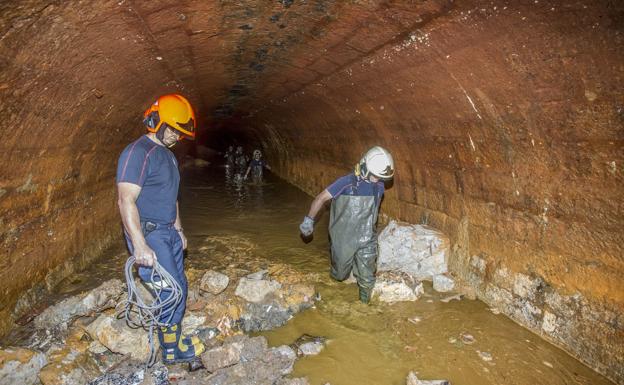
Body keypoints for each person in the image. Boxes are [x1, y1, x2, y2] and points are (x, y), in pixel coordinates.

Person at [116, 93, 205, 364]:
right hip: (150, 233)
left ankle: (174, 338)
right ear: (157, 122)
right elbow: (125, 200)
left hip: (167, 232)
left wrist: (179, 230)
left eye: (180, 133)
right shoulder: (137, 153)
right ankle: (171, 351)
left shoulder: (168, 156)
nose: (177, 138)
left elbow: (171, 196)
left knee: (180, 285)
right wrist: (140, 244)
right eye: (174, 131)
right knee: (169, 291)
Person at [299, 146, 394, 304]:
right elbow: (321, 198)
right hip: (343, 236)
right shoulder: (346, 182)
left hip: (367, 236)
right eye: (375, 176)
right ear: (364, 168)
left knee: (367, 276)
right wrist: (309, 220)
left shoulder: (379, 186)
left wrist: (370, 233)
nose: (378, 180)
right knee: (340, 275)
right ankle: (339, 278)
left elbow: (373, 210)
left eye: (380, 177)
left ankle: (364, 307)